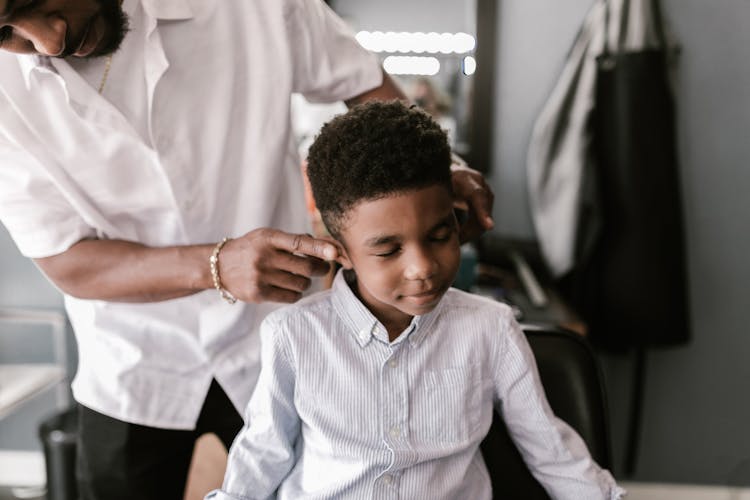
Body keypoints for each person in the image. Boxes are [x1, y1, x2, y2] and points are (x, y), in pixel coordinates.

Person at [0, 1, 495, 498]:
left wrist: (439, 171)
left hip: (284, 349)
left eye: (37, 2)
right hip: (131, 361)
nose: (48, 40)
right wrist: (215, 265)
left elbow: (362, 84)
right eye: (5, 31)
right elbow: (67, 261)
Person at [207, 101, 624, 500]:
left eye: (440, 236)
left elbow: (552, 452)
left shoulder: (491, 328)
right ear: (341, 251)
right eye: (389, 251)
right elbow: (263, 454)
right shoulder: (292, 335)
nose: (422, 267)